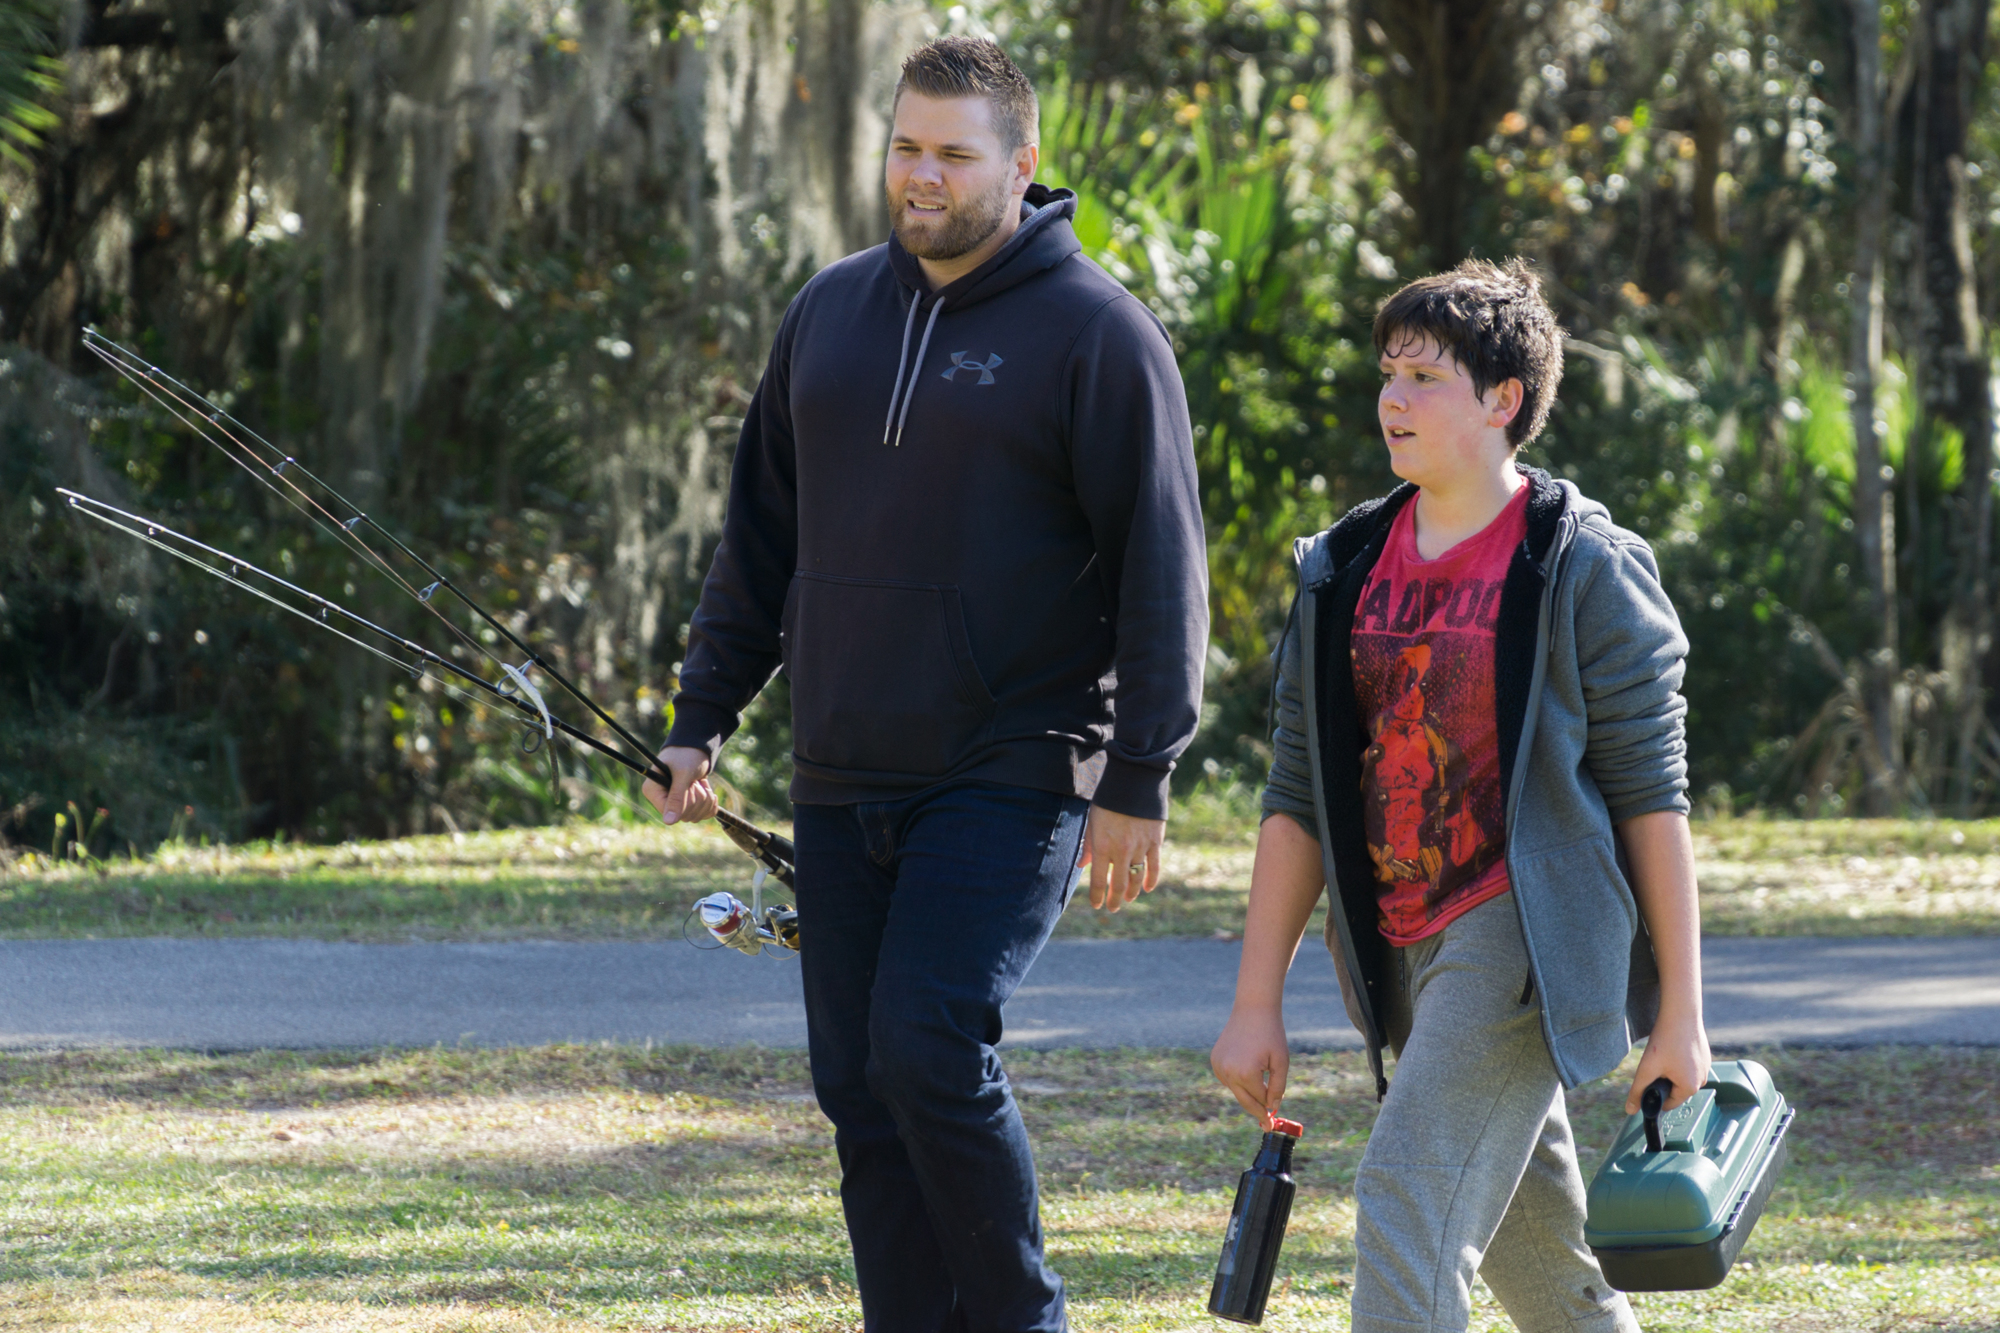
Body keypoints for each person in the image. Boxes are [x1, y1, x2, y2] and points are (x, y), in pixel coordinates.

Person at [642, 35, 1207, 1333]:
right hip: (843, 763)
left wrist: (1140, 780)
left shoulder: (1099, 336)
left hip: (1015, 761)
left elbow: (1161, 574)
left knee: (930, 1046)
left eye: (954, 153)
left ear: (1023, 162)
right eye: (906, 146)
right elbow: (760, 545)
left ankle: (1024, 1319)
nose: (923, 176)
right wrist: (697, 719)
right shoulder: (829, 312)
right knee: (857, 1082)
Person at [1210, 258, 1708, 1333]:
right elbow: (1295, 787)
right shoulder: (1338, 566)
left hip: (1518, 939)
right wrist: (1256, 999)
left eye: (1423, 376)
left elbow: (1648, 795)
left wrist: (1680, 1013)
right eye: (1386, 372)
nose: (1392, 397)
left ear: (1501, 401)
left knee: (1403, 1205)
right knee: (1545, 1271)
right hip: (1396, 947)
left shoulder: (1579, 567)